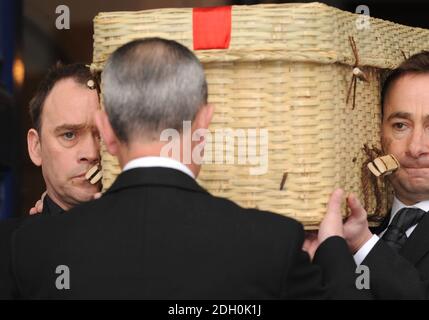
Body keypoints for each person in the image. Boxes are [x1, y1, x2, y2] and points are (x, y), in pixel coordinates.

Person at [8, 38, 363, 299]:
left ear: (108, 133)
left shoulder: (35, 247)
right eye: (69, 135)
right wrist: (332, 249)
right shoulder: (271, 243)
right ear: (203, 124)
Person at [0, 63, 102, 298]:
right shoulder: (6, 250)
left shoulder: (146, 235)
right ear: (36, 148)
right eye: (69, 135)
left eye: (101, 134)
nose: (92, 152)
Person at [338, 51, 429, 299]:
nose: (416, 148)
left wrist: (363, 244)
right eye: (400, 125)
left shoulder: (359, 234)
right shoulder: (355, 217)